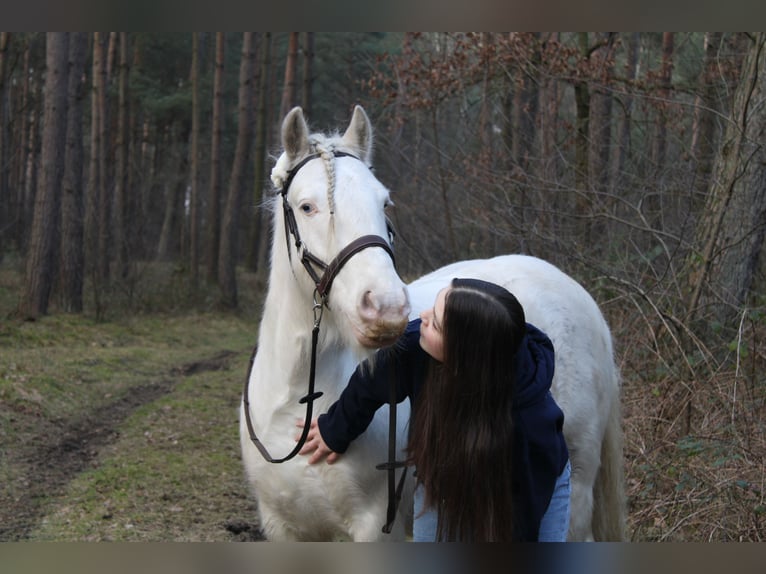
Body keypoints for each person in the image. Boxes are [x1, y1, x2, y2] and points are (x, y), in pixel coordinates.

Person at [299, 277, 570, 542]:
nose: (424, 316)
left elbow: (520, 524)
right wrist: (335, 429)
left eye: (437, 324)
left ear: (465, 355)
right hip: (443, 475)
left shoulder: (528, 425)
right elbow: (370, 382)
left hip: (517, 492)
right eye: (434, 306)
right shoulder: (417, 345)